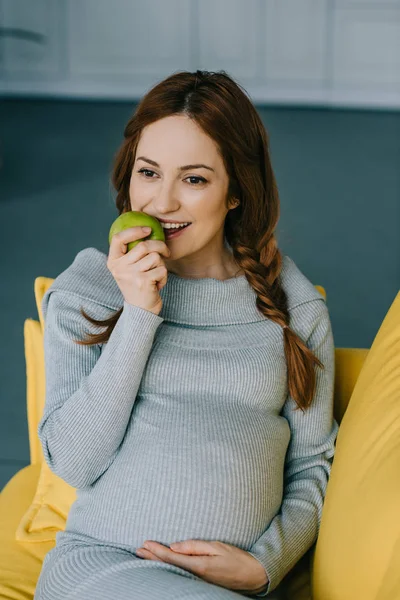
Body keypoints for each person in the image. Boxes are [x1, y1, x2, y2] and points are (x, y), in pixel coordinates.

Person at [33, 69, 339, 600]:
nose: (162, 203)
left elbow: (313, 465)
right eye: (148, 173)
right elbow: (75, 462)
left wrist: (266, 565)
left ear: (237, 191)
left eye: (193, 179)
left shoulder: (293, 302)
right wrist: (139, 312)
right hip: (104, 565)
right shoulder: (89, 286)